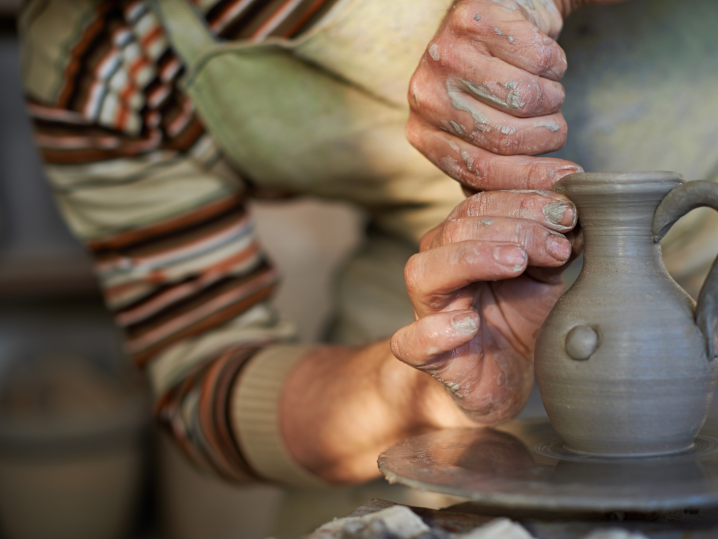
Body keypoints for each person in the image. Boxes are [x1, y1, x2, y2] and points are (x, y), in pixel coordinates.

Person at [18, 0, 718, 498]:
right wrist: (412, 389)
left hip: (701, 256)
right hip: (451, 289)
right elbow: (202, 372)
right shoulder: (93, 55)